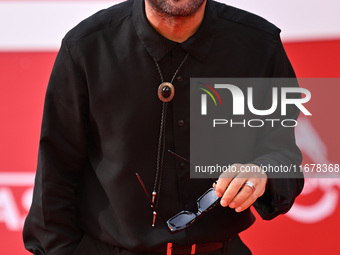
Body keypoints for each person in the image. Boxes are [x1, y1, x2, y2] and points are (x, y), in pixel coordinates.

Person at [23, 0, 304, 254]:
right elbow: (55, 176)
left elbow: (285, 157)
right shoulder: (86, 47)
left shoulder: (259, 45)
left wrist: (263, 172)